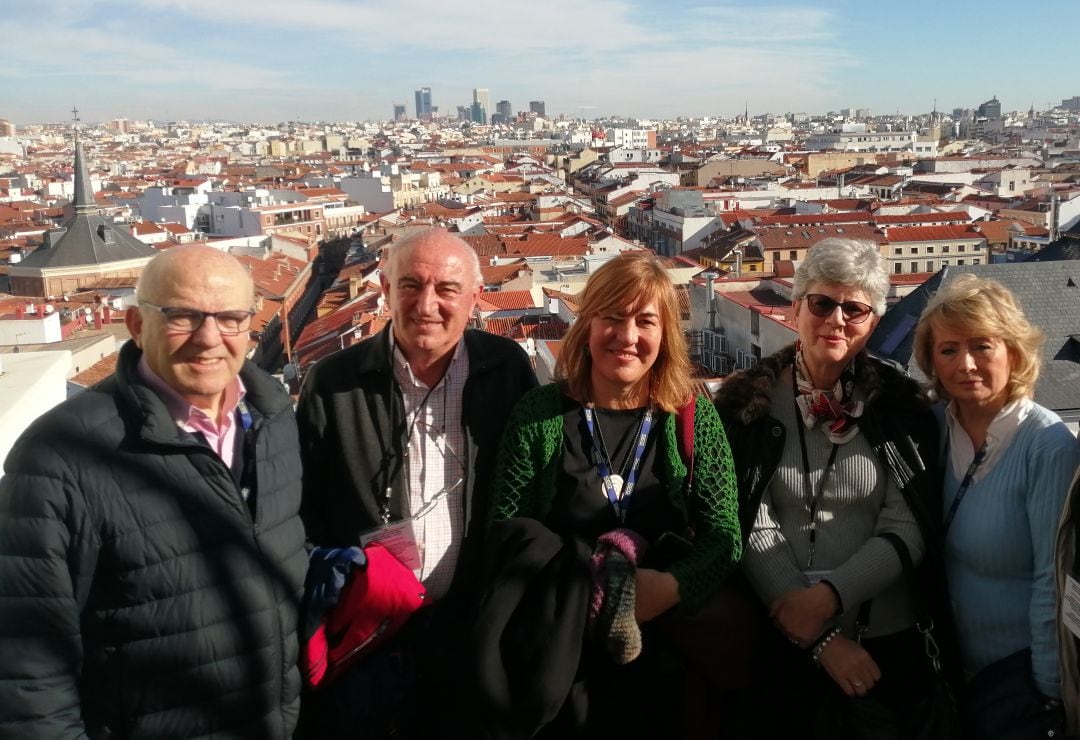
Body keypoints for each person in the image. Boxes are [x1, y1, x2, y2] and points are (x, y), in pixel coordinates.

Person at [0, 245, 308, 739]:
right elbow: (24, 673)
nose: (209, 338)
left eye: (229, 318)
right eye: (182, 316)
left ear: (250, 326)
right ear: (136, 325)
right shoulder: (59, 457)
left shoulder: (274, 420)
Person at [478, 251, 742, 739]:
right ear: (587, 324)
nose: (627, 336)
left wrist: (671, 587)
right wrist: (592, 580)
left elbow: (723, 534)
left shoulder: (691, 417)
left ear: (665, 337)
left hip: (668, 664)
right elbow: (505, 532)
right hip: (559, 661)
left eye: (645, 321)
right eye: (612, 317)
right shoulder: (538, 415)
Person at [296, 228, 537, 737]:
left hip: (473, 629)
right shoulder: (333, 383)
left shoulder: (507, 370)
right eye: (410, 285)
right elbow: (303, 511)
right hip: (372, 638)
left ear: (475, 299)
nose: (427, 304)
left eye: (446, 289)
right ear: (384, 289)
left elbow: (534, 487)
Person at [714, 238, 957, 738]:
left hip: (886, 644)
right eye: (823, 303)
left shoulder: (900, 409)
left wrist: (827, 599)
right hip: (781, 643)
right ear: (797, 306)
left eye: (855, 309)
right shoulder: (742, 408)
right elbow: (748, 518)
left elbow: (907, 524)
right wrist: (823, 640)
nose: (837, 319)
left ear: (873, 323)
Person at [913, 273, 1080, 739]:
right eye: (948, 350)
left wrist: (1047, 692)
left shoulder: (1046, 446)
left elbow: (1054, 579)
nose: (965, 363)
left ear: (1014, 352)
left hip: (1017, 682)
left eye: (982, 346)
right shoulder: (931, 430)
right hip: (945, 671)